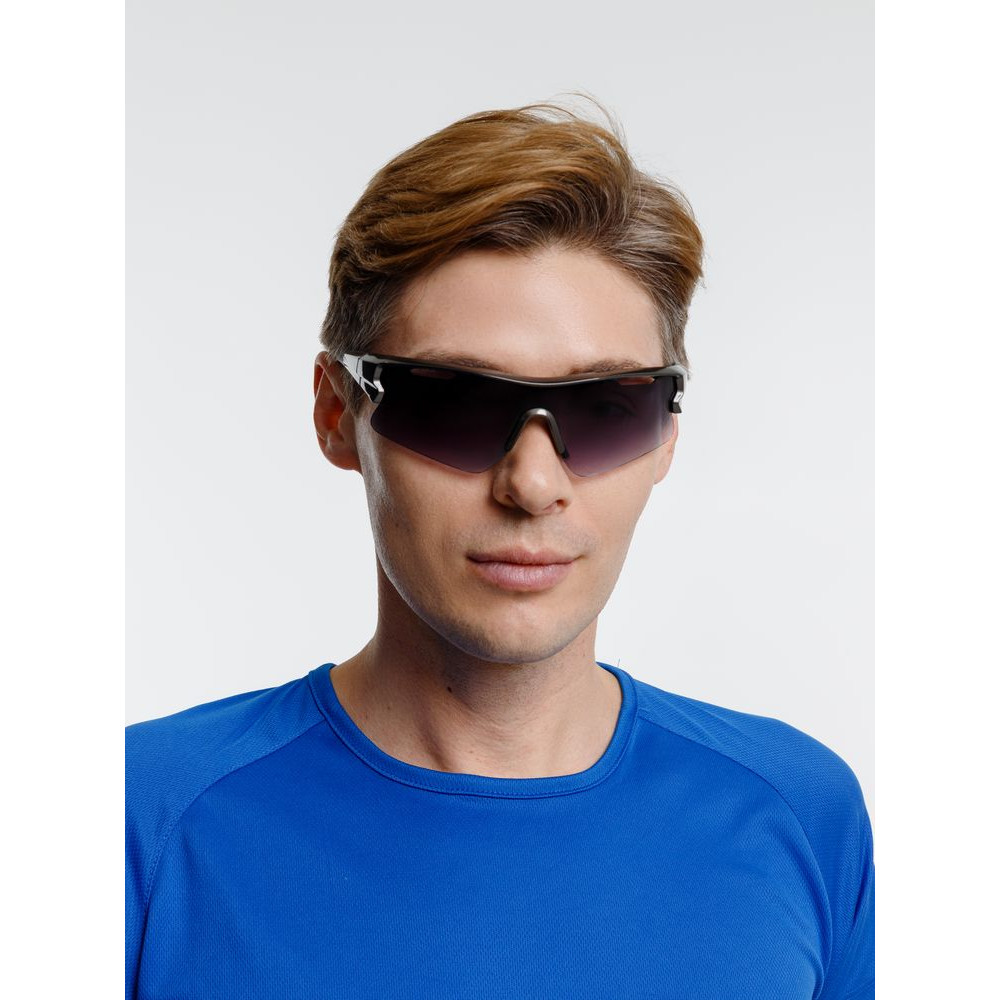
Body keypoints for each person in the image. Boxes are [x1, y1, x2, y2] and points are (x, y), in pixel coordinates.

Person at [126, 103, 874, 999]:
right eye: (455, 402)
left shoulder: (801, 815)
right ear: (336, 413)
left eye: (607, 408)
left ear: (666, 436)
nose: (532, 483)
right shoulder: (138, 821)